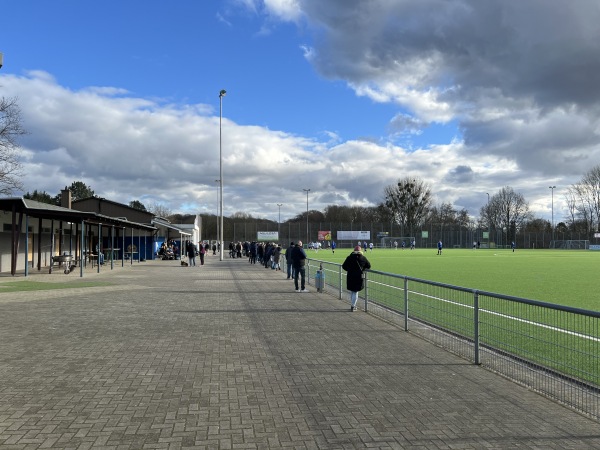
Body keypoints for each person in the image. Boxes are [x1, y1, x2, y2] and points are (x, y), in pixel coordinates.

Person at [342, 245, 371, 312]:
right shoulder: (363, 258)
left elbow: (344, 266)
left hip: (350, 276)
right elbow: (369, 266)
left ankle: (352, 305)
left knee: (352, 291)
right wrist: (362, 270)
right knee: (355, 291)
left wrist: (349, 270)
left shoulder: (349, 257)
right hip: (358, 277)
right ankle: (353, 306)